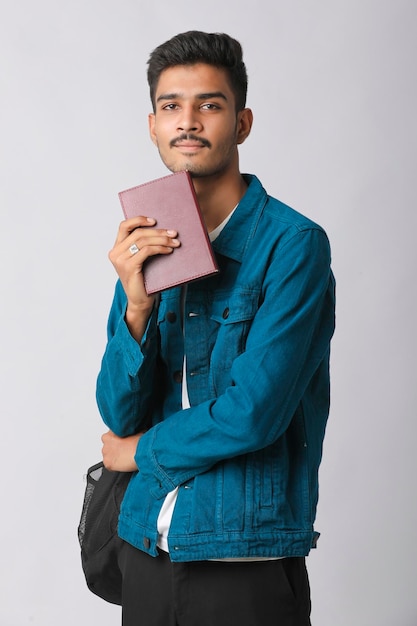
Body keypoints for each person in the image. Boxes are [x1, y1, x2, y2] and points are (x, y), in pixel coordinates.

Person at [97, 30, 335, 626]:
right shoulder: (149, 240)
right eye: (171, 106)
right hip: (146, 548)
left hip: (242, 558)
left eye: (210, 104)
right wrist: (135, 305)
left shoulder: (292, 244)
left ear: (243, 122)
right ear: (152, 125)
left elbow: (253, 412)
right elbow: (118, 413)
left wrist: (137, 454)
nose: (188, 121)